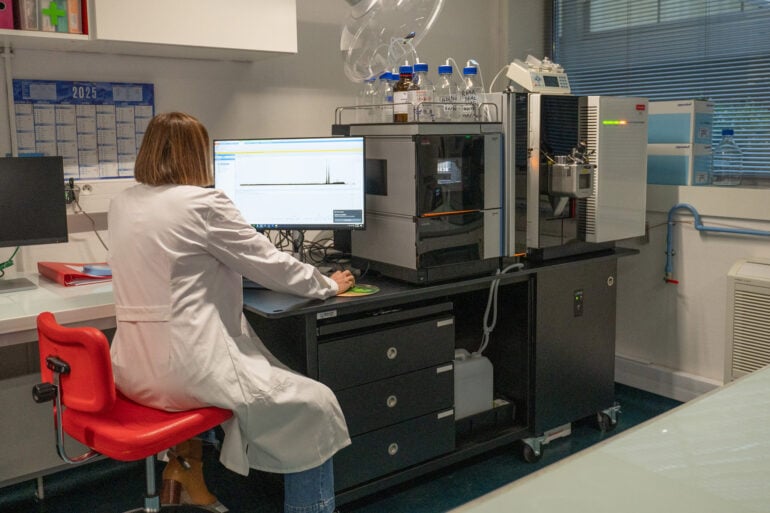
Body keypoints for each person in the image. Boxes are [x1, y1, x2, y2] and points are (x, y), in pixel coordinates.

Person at [108, 112, 355, 513]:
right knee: (317, 403)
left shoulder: (122, 203)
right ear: (197, 155)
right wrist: (327, 283)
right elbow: (270, 263)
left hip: (132, 373)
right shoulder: (204, 204)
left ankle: (186, 473)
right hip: (189, 371)